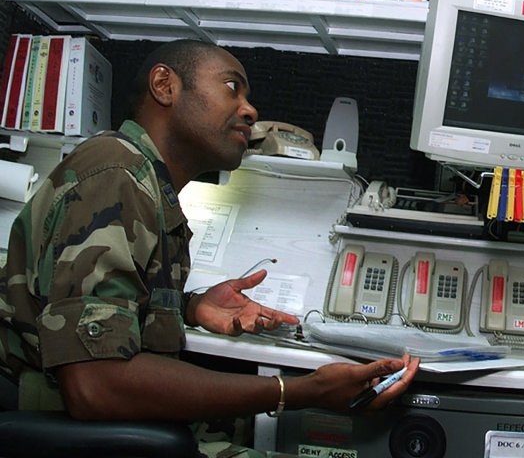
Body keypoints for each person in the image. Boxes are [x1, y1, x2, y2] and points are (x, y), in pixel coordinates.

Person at [0, 39, 420, 457]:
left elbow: (102, 308)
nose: (250, 111)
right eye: (232, 87)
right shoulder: (115, 174)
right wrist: (298, 391)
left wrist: (191, 307)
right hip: (61, 424)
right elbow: (95, 383)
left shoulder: (147, 185)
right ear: (164, 86)